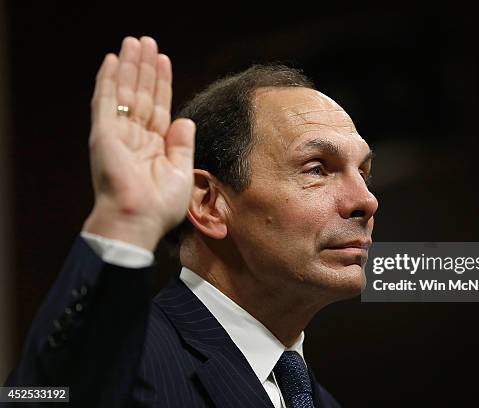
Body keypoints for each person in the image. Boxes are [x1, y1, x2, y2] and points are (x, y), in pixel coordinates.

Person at [4, 35, 378, 407]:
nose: (366, 200)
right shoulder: (127, 360)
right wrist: (123, 222)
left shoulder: (318, 400)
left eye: (363, 173)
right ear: (208, 202)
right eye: (317, 169)